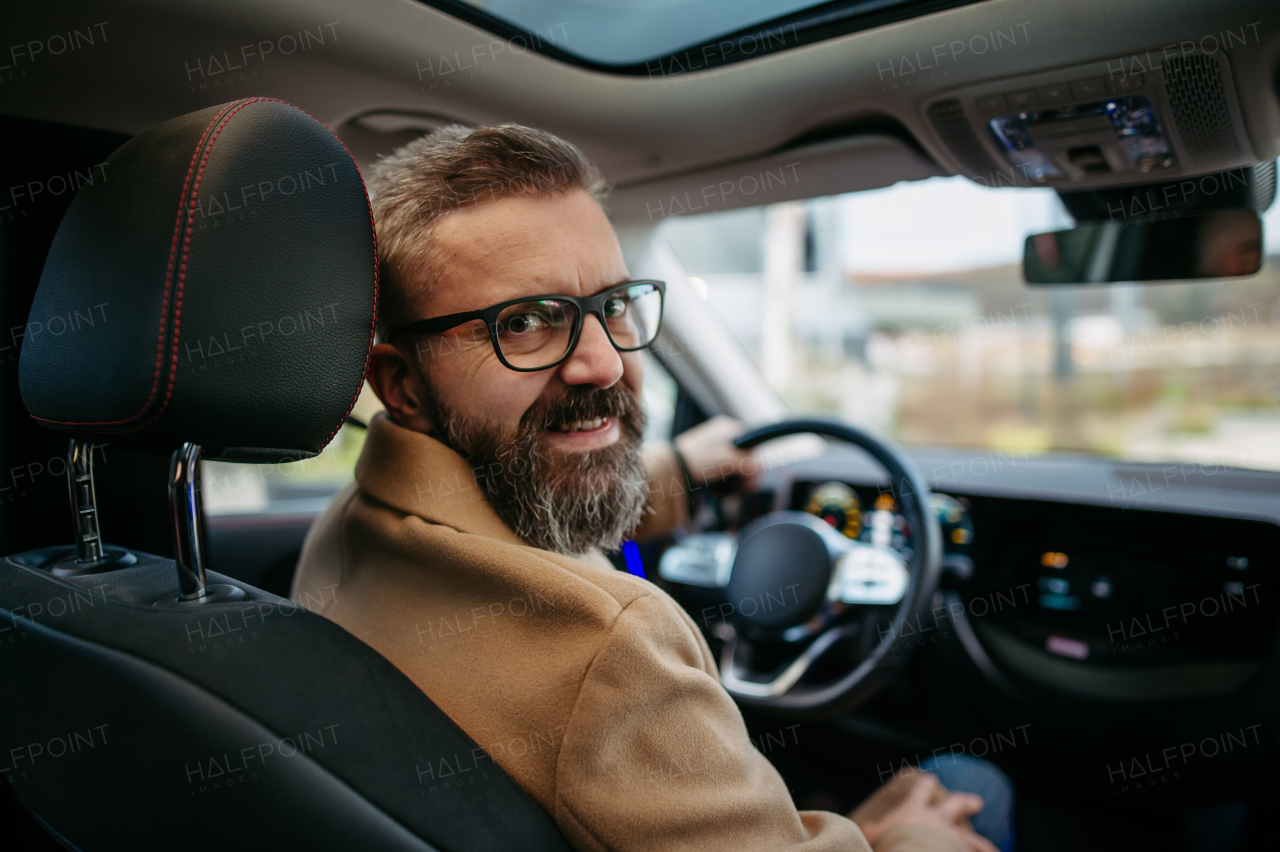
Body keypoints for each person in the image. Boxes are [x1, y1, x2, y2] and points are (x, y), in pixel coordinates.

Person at [291, 124, 1004, 852]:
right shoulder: (614, 648)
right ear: (402, 385)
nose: (604, 365)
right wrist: (909, 838)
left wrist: (683, 476)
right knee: (970, 788)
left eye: (614, 303)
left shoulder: (354, 522)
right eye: (526, 322)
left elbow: (526, 500)